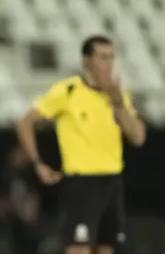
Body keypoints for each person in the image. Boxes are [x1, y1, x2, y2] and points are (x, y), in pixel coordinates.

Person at [16, 36, 146, 254]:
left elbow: (138, 137)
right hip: (82, 184)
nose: (109, 63)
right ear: (87, 62)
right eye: (102, 57)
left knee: (107, 249)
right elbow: (25, 122)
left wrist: (117, 103)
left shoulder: (119, 95)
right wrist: (38, 163)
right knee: (78, 249)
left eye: (111, 57)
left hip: (112, 181)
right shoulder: (67, 91)